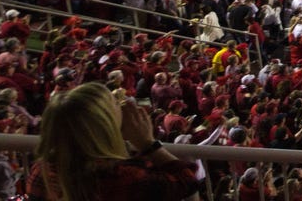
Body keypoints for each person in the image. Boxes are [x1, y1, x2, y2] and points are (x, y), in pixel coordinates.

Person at [28, 82, 200, 201]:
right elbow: (186, 181)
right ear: (105, 123)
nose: (122, 107)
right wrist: (147, 143)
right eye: (116, 105)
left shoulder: (40, 170)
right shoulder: (121, 176)